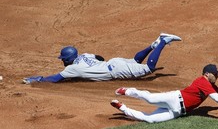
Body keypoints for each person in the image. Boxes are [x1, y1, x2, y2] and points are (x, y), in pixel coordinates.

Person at [110, 64, 218, 123]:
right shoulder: (202, 81)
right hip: (174, 98)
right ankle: (127, 91)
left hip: (178, 112)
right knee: (149, 98)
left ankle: (122, 108)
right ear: (207, 74)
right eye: (216, 74)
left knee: (150, 120)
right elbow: (216, 97)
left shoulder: (210, 84)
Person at [22, 33, 182, 84]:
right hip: (112, 62)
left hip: (115, 70)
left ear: (68, 59)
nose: (62, 61)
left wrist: (40, 79)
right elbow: (99, 57)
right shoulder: (84, 55)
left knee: (148, 69)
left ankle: (162, 41)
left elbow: (56, 78)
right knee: (135, 62)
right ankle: (151, 46)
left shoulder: (71, 68)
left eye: (63, 59)